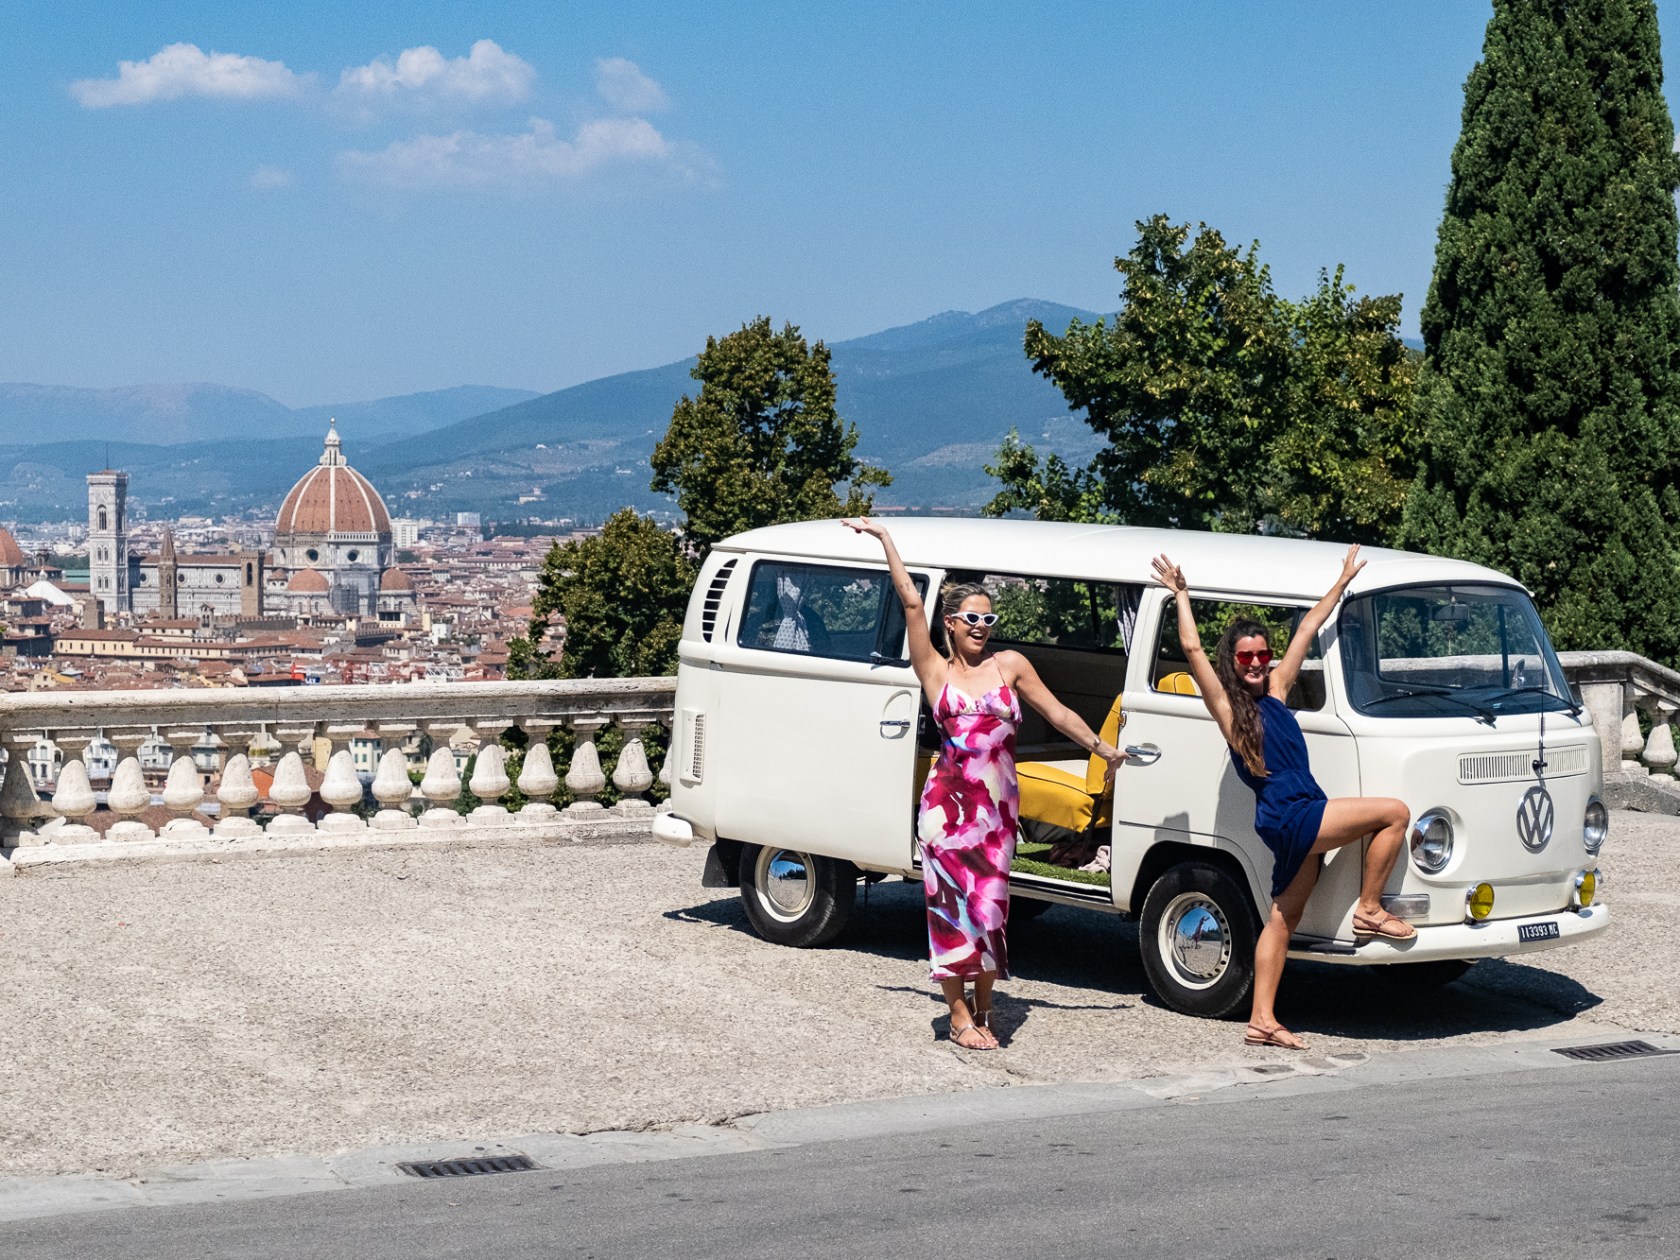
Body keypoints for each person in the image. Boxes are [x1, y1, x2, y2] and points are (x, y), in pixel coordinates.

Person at [844, 518, 1128, 1050]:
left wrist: (1104, 748)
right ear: (950, 623)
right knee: (950, 911)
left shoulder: (1011, 665)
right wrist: (886, 542)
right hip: (946, 812)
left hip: (996, 815)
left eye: (989, 617)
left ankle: (985, 1006)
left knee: (992, 910)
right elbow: (909, 604)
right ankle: (958, 1016)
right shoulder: (934, 670)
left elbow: (1060, 712)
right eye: (972, 618)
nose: (982, 626)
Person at [1150, 546, 1414, 1051]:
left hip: (1297, 814)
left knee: (1281, 920)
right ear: (1233, 661)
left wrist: (1341, 583)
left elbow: (1307, 629)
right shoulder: (1229, 709)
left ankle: (1261, 1020)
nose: (1255, 663)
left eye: (1261, 655)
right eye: (1245, 656)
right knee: (1393, 813)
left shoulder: (1276, 690)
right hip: (1292, 816)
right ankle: (1370, 910)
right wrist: (1181, 595)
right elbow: (1193, 651)